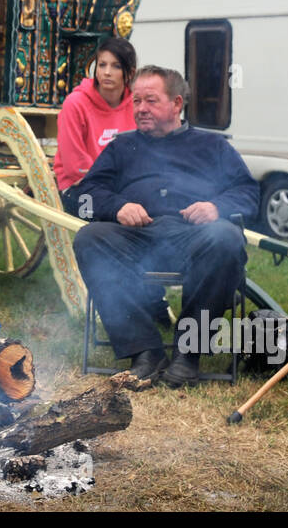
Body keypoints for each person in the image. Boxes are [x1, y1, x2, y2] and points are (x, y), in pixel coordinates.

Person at [71, 65, 259, 386]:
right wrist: (118, 207)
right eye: (136, 101)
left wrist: (217, 207)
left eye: (151, 101)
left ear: (176, 104)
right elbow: (84, 194)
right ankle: (145, 350)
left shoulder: (212, 147)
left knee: (225, 238)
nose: (141, 109)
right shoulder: (121, 147)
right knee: (89, 238)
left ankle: (189, 351)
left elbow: (249, 193)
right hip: (137, 236)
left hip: (195, 237)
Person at [55, 37, 137, 214]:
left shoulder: (136, 106)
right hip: (80, 189)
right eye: (102, 65)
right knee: (119, 215)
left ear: (130, 72)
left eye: (115, 66)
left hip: (121, 188)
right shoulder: (75, 104)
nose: (107, 72)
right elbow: (75, 169)